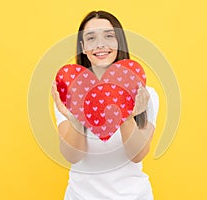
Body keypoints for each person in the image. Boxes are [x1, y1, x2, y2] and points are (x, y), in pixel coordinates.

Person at [51, 10, 159, 200]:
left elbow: (137, 155)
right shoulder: (68, 94)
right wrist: (75, 118)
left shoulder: (146, 95)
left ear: (119, 42)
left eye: (109, 36)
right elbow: (72, 156)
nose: (100, 44)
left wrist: (126, 115)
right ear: (83, 47)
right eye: (91, 38)